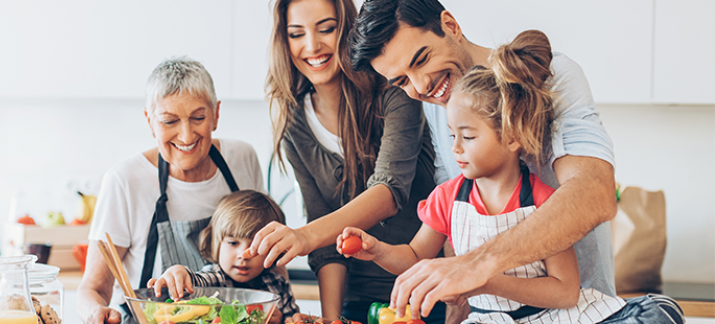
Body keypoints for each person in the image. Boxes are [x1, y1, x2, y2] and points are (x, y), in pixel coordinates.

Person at [340, 30, 683, 324]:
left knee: (657, 312)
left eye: (469, 137)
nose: (455, 149)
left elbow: (565, 292)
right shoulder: (448, 197)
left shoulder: (544, 202)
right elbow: (416, 257)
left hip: (557, 316)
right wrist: (378, 250)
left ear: (511, 136)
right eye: (451, 136)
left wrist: (483, 278)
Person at [245, 0, 444, 322]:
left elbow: (389, 192)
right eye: (297, 34)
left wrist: (304, 235)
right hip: (355, 298)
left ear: (348, 30)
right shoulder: (294, 123)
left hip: (423, 290)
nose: (312, 46)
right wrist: (332, 318)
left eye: (327, 29)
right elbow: (325, 242)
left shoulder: (395, 89)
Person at [77, 57, 265, 324]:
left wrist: (286, 308)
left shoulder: (242, 159)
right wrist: (95, 312)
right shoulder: (125, 180)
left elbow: (270, 254)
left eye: (198, 117)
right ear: (149, 121)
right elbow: (92, 289)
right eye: (169, 121)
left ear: (216, 114)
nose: (186, 136)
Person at [147, 190, 300, 324]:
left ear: (273, 249)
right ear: (216, 244)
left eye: (256, 247)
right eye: (233, 243)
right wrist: (178, 272)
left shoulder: (278, 285)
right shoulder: (214, 278)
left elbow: (294, 319)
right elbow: (193, 283)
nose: (243, 255)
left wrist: (281, 320)